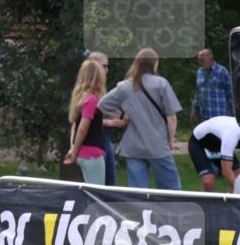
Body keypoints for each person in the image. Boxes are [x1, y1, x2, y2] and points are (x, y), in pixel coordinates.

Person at [98, 47, 183, 190]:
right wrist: (170, 140)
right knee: (171, 188)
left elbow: (101, 105)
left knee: (138, 191)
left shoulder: (125, 86)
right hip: (158, 145)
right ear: (154, 63)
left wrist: (122, 116)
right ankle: (171, 212)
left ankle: (140, 212)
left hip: (134, 146)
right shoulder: (161, 84)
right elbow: (171, 117)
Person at [188, 115, 240, 192]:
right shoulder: (231, 137)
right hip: (199, 143)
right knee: (208, 180)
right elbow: (226, 171)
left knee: (238, 176)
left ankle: (231, 206)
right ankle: (205, 206)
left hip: (219, 143)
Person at [63, 59, 107, 184]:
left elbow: (75, 125)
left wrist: (73, 148)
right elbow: (82, 129)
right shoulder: (92, 100)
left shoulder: (81, 98)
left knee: (90, 191)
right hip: (92, 154)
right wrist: (74, 151)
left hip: (84, 153)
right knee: (96, 193)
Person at [87, 52, 127, 185]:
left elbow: (107, 111)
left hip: (106, 139)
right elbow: (84, 119)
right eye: (103, 66)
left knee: (110, 182)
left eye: (107, 66)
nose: (106, 69)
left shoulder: (101, 88)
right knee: (99, 184)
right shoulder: (88, 90)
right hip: (95, 141)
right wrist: (109, 122)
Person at [190, 48, 234, 124]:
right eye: (199, 60)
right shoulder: (199, 72)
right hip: (205, 117)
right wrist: (194, 111)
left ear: (210, 59)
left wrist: (235, 116)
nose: (200, 63)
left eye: (202, 60)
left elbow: (231, 93)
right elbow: (198, 94)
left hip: (221, 117)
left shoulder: (221, 71)